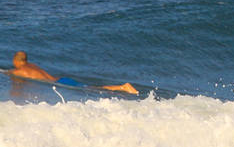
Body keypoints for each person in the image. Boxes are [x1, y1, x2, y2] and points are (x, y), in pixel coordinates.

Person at [8, 51, 138, 95]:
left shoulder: (20, 71)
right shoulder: (31, 65)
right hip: (62, 79)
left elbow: (15, 80)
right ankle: (121, 88)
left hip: (61, 83)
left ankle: (123, 87)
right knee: (90, 87)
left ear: (16, 60)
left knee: (92, 89)